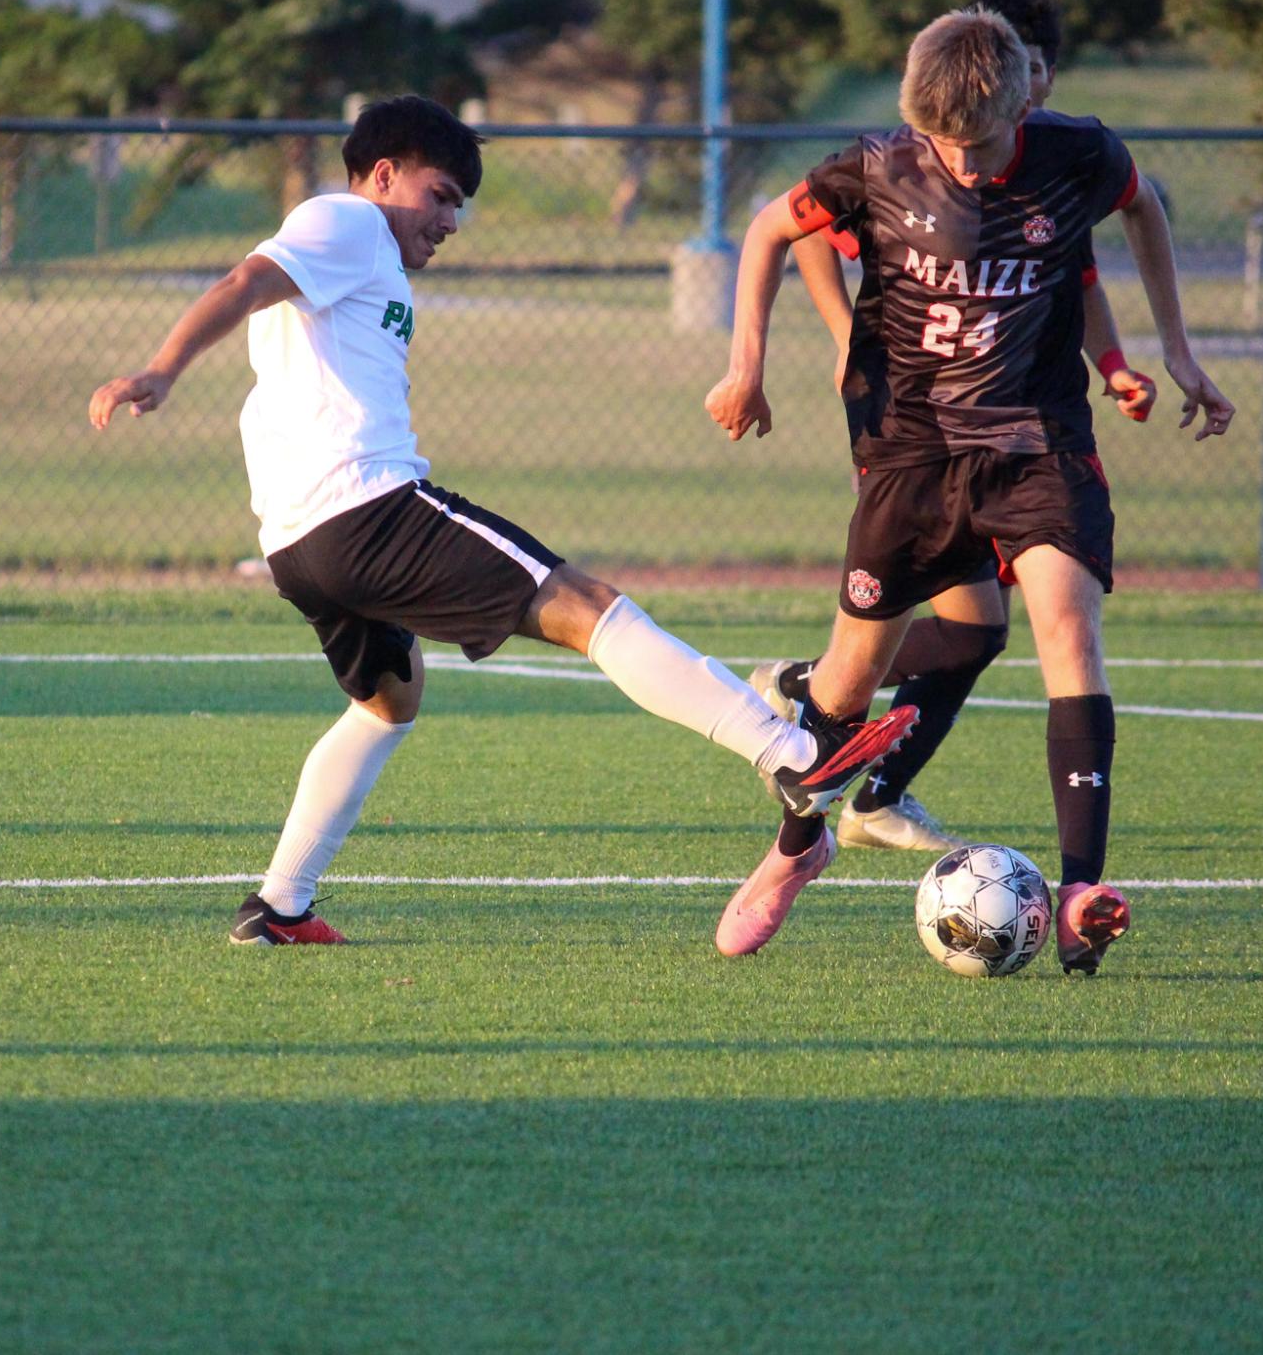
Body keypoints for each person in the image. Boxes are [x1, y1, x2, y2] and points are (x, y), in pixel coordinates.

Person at [89, 95, 915, 946]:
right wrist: (161, 370)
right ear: (383, 176)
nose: (450, 220)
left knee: (388, 704)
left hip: (301, 545)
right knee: (587, 606)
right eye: (440, 195)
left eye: (459, 206)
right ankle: (790, 752)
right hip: (367, 509)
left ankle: (278, 907)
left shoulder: (356, 257)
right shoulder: (347, 222)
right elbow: (242, 282)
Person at [704, 12, 1234, 971]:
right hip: (910, 451)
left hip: (1038, 445)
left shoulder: (1075, 155)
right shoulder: (875, 167)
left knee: (1065, 632)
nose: (959, 159)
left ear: (1022, 100)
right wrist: (746, 366)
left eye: (977, 141)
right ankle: (796, 847)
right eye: (940, 141)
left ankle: (1081, 892)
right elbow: (770, 228)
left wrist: (1174, 353)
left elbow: (1142, 207)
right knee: (843, 694)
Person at [750, 0, 1160, 854]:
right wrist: (836, 341)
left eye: (1044, 66)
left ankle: (851, 764)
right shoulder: (910, 166)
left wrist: (1119, 365)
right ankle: (835, 771)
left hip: (1021, 433)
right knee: (962, 631)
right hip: (915, 429)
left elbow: (1072, 281)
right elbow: (809, 234)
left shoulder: (1055, 163)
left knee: (980, 633)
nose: (1038, 82)